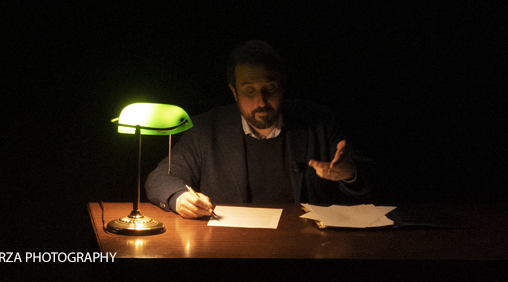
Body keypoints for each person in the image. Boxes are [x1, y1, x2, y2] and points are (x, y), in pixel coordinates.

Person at [144, 40, 376, 217]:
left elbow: (371, 178)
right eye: (249, 91)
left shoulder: (318, 121)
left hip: (306, 248)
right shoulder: (207, 129)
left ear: (283, 86)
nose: (262, 102)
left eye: (270, 88)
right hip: (231, 249)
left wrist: (350, 173)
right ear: (234, 92)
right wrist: (179, 198)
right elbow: (160, 178)